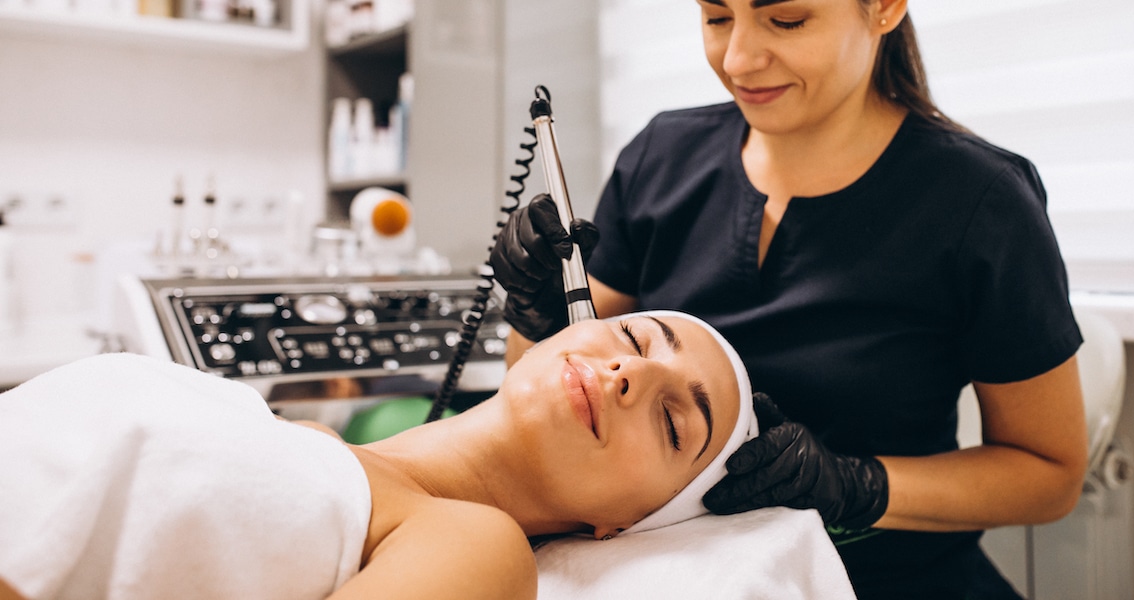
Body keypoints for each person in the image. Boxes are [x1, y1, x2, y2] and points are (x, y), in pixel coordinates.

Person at [489, 0, 1088, 597]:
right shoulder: (661, 159)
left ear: (883, 8)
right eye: (717, 17)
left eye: (787, 20)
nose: (739, 59)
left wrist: (856, 486)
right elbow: (553, 420)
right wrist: (535, 314)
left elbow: (1048, 476)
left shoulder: (982, 204)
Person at [0, 311, 756, 600]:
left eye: (672, 423)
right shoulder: (275, 426)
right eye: (632, 337)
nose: (631, 374)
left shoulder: (474, 546)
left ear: (619, 527)